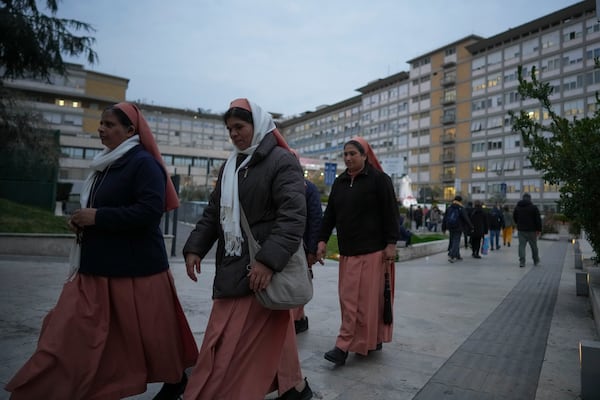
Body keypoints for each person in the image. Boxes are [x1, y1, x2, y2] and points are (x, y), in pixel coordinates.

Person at [5, 102, 198, 400]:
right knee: (66, 333)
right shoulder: (105, 163)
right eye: (101, 123)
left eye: (109, 124)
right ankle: (45, 388)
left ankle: (175, 381)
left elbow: (148, 212)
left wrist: (97, 217)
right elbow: (103, 209)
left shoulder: (144, 164)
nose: (101, 129)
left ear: (130, 130)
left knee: (154, 338)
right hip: (95, 267)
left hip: (135, 271)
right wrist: (84, 221)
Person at [182, 99, 312, 399]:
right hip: (234, 265)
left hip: (259, 271)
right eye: (229, 129)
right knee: (255, 335)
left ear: (258, 125)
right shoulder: (231, 165)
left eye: (239, 127)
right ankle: (294, 388)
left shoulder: (282, 161)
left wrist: (267, 262)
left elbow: (293, 218)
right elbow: (214, 213)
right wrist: (195, 249)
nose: (234, 134)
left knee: (233, 345)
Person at [317, 137, 400, 366]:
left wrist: (391, 244)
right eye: (345, 154)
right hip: (348, 252)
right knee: (349, 300)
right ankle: (368, 339)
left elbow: (391, 214)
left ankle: (343, 346)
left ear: (365, 155)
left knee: (365, 302)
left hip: (373, 252)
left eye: (353, 153)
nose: (348, 158)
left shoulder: (379, 180)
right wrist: (322, 240)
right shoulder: (340, 182)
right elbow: (330, 215)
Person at [293, 176, 323, 334]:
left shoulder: (309, 189)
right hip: (282, 244)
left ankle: (297, 319)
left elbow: (316, 219)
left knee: (299, 283)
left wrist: (312, 250)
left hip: (301, 246)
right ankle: (296, 318)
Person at [513, 193, 542, 268]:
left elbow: (515, 217)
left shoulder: (518, 207)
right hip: (532, 230)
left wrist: (518, 223)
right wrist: (538, 229)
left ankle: (522, 262)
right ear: (530, 199)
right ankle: (536, 260)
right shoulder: (534, 208)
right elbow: (538, 219)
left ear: (523, 198)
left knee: (521, 246)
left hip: (521, 230)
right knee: (534, 246)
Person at [442, 195, 473, 263]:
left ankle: (457, 255)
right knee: (456, 241)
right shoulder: (461, 208)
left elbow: (445, 218)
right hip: (458, 227)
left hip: (450, 227)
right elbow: (466, 218)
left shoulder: (449, 208)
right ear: (460, 201)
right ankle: (452, 255)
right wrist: (471, 226)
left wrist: (443, 228)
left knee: (452, 240)